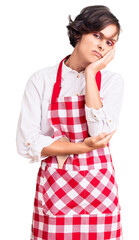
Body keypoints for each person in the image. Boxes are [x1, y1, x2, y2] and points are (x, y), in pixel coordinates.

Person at [16, 5, 124, 240]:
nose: (102, 45)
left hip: (100, 191)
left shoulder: (111, 82)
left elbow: (100, 133)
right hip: (56, 191)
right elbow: (27, 143)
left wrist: (91, 73)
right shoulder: (41, 80)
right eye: (97, 35)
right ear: (79, 33)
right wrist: (83, 147)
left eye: (110, 42)